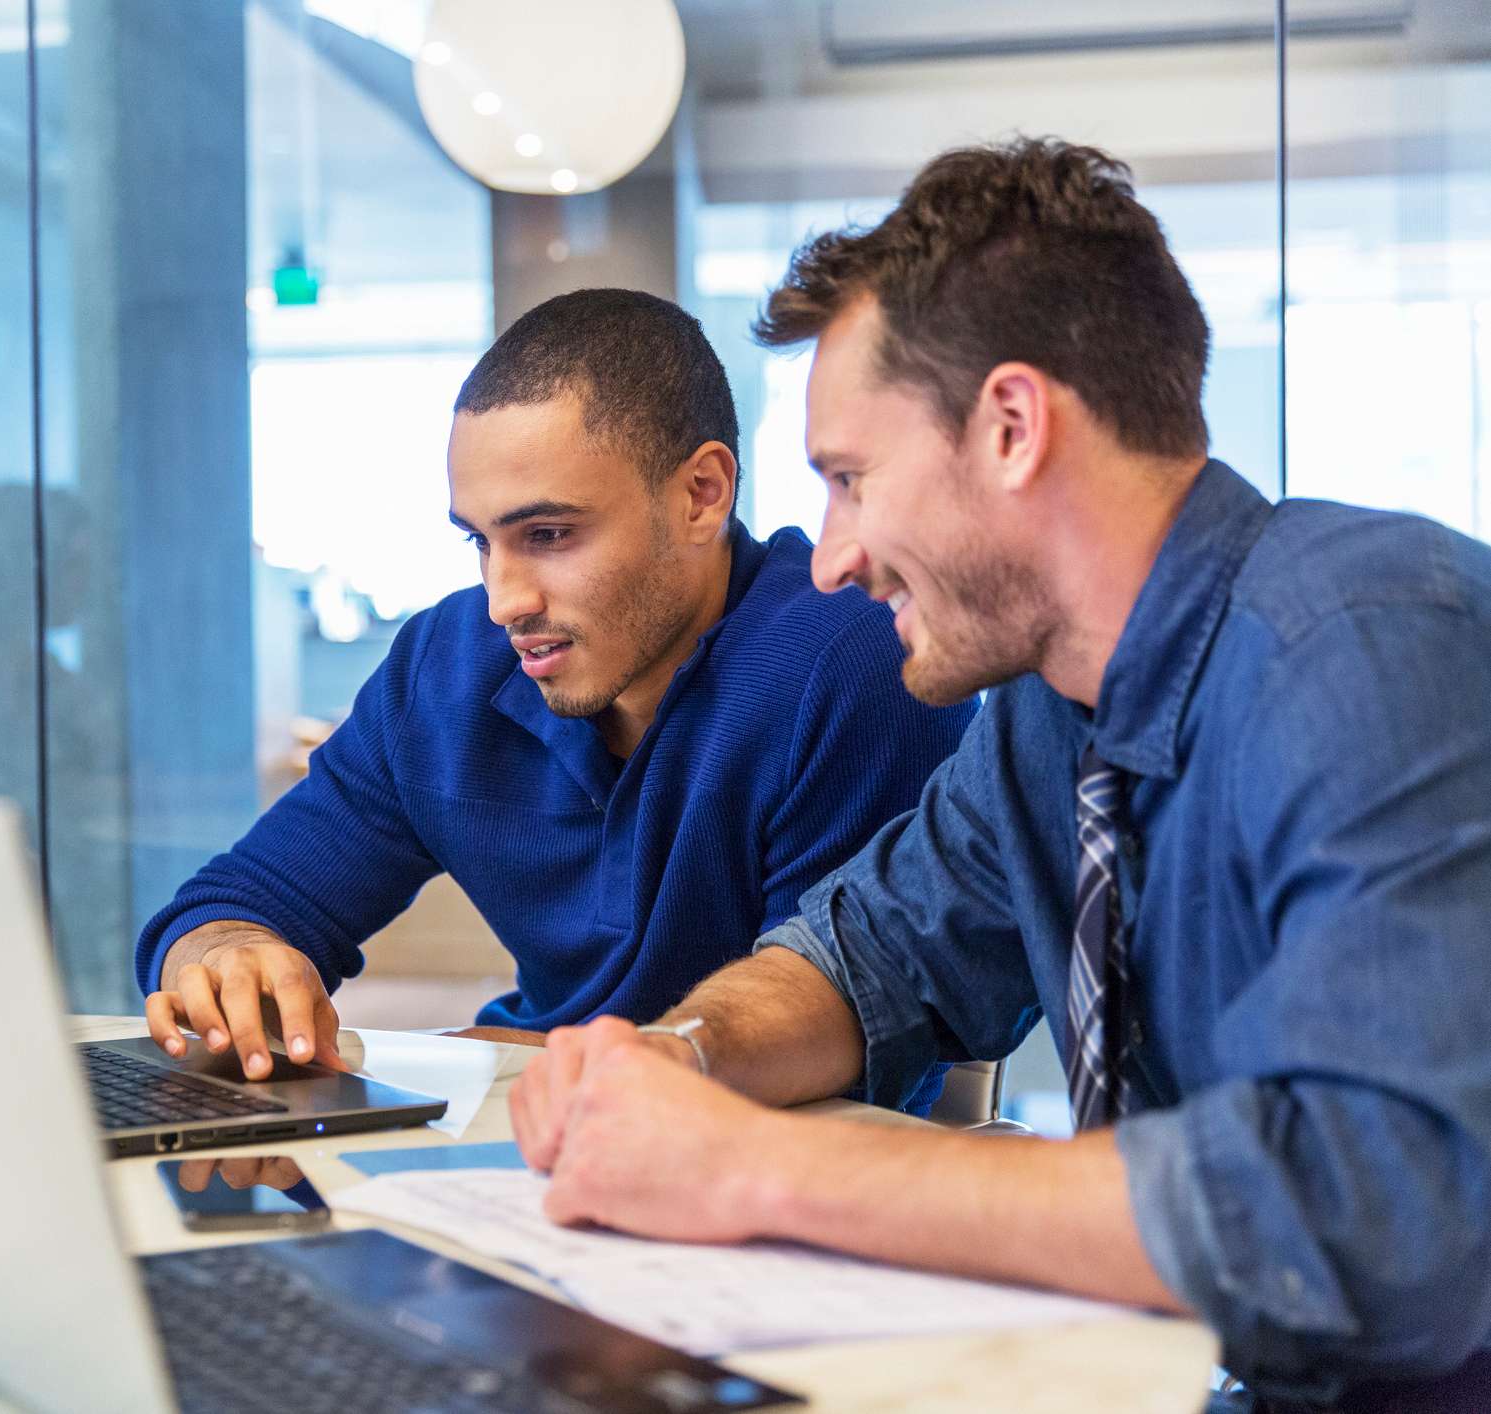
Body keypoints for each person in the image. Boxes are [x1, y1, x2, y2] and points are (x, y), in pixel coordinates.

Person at [510, 139, 1491, 1411]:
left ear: (1014, 428)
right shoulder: (1046, 715)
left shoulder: (1365, 644)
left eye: (852, 481)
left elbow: (1374, 1214)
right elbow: (870, 960)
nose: (830, 559)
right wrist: (676, 1060)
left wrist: (753, 1171)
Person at [136, 289, 976, 1088]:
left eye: (547, 534)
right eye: (480, 542)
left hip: (757, 1173)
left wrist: (548, 1062)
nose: (505, 601)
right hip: (520, 1124)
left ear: (700, 494)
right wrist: (225, 957)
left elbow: (848, 1020)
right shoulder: (447, 665)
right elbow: (234, 903)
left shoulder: (855, 661)